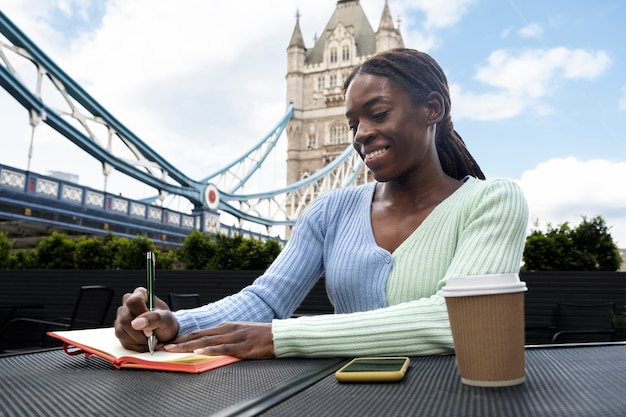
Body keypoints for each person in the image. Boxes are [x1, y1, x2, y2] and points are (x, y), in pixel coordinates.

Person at [114, 48, 529, 359]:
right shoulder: (331, 210)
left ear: (432, 108)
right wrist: (174, 324)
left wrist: (284, 337)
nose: (361, 134)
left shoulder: (492, 201)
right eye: (353, 124)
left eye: (379, 114)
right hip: (344, 397)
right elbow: (266, 301)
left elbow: (459, 320)